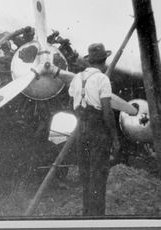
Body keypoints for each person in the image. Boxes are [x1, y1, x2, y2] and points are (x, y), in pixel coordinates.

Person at [46, 43, 120, 216]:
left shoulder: (77, 78)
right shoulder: (103, 79)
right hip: (98, 131)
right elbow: (107, 112)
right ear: (104, 61)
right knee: (98, 177)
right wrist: (115, 139)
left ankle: (86, 216)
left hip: (81, 131)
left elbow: (73, 103)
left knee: (85, 176)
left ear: (90, 61)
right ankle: (97, 218)